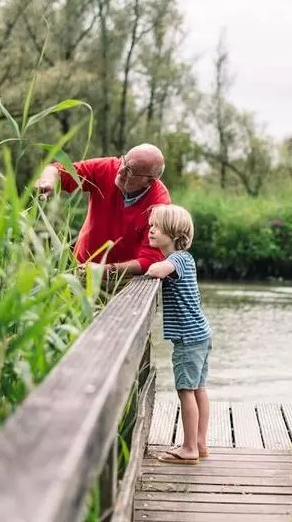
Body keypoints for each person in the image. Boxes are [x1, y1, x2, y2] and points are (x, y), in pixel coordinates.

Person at [35, 143, 171, 277]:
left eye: (131, 170)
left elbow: (150, 260)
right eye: (123, 161)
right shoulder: (109, 167)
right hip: (81, 269)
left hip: (124, 281)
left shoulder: (160, 204)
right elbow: (60, 170)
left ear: (149, 182)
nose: (121, 171)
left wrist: (105, 269)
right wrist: (47, 181)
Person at [144, 204, 212, 465]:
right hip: (200, 335)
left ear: (172, 234)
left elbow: (156, 270)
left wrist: (152, 268)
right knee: (198, 389)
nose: (150, 229)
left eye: (156, 227)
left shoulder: (177, 259)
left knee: (186, 391)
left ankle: (189, 448)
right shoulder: (186, 258)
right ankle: (200, 443)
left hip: (187, 339)